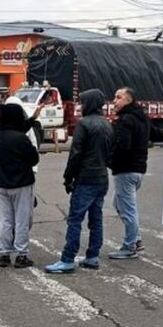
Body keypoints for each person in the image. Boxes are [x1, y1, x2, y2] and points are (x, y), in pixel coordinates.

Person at [45, 89, 114, 274]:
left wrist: (68, 178)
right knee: (96, 218)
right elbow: (110, 154)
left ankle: (67, 259)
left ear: (89, 104)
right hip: (102, 177)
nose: (80, 107)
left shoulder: (84, 124)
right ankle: (92, 256)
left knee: (75, 219)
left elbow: (75, 154)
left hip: (85, 178)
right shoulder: (107, 124)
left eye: (83, 103)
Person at [107, 87, 163, 260]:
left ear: (128, 101)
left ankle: (130, 246)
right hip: (138, 170)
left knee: (128, 209)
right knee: (119, 204)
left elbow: (122, 145)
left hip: (126, 170)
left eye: (118, 97)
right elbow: (155, 133)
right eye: (114, 97)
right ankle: (135, 239)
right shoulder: (141, 117)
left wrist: (109, 160)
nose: (114, 101)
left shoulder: (125, 120)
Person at [0, 103, 40, 269]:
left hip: (3, 182)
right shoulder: (21, 138)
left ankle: (4, 254)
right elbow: (34, 158)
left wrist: (32, 119)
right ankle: (21, 254)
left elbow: (18, 129)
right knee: (21, 220)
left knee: (6, 219)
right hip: (21, 183)